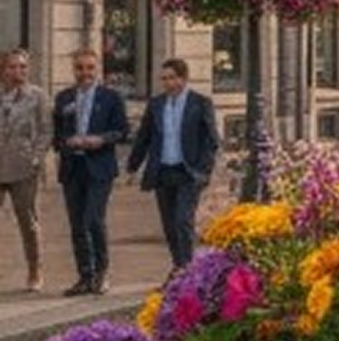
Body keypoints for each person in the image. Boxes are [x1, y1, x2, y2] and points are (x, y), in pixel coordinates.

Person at [126, 59, 220, 272]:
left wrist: (203, 172)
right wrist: (133, 166)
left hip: (188, 171)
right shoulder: (156, 104)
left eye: (172, 78)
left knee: (182, 220)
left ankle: (188, 269)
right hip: (163, 171)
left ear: (183, 78)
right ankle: (178, 266)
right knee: (169, 225)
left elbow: (211, 140)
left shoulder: (200, 103)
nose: (167, 83)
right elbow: (144, 137)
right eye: (164, 79)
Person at [52, 48, 129, 296]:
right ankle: (85, 276)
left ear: (98, 69)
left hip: (99, 168)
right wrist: (67, 142)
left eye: (89, 68)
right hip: (73, 168)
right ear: (73, 69)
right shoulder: (64, 98)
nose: (84, 73)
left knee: (93, 219)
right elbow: (56, 135)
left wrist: (101, 139)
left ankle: (102, 272)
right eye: (80, 68)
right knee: (76, 224)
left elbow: (122, 130)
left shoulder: (111, 97)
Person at [0, 49, 51, 290]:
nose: (18, 72)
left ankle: (35, 270)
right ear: (4, 69)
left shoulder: (37, 96)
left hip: (23, 167)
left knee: (28, 221)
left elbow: (45, 130)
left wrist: (36, 158)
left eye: (22, 67)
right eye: (12, 67)